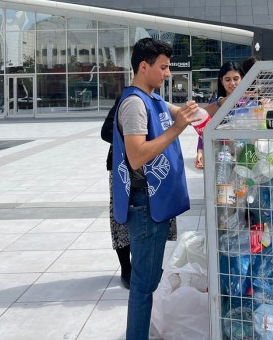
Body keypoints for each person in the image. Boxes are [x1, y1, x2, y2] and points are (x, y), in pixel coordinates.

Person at [112, 37, 198, 340]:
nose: (167, 73)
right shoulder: (135, 103)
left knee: (147, 280)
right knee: (143, 284)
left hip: (153, 201)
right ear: (144, 66)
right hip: (143, 204)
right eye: (162, 67)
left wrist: (225, 100)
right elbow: (136, 155)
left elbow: (187, 113)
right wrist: (177, 130)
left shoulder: (154, 99)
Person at [101, 97, 178, 290]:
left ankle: (149, 266)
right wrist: (136, 139)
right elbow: (106, 131)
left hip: (153, 170)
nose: (166, 73)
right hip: (123, 170)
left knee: (153, 218)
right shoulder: (128, 100)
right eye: (162, 68)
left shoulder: (157, 102)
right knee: (122, 218)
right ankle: (127, 269)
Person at [194, 61, 244, 169]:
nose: (232, 83)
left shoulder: (249, 104)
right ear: (221, 81)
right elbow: (204, 128)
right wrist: (200, 151)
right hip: (220, 160)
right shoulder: (215, 104)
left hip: (244, 159)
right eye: (227, 79)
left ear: (242, 79)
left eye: (236, 79)